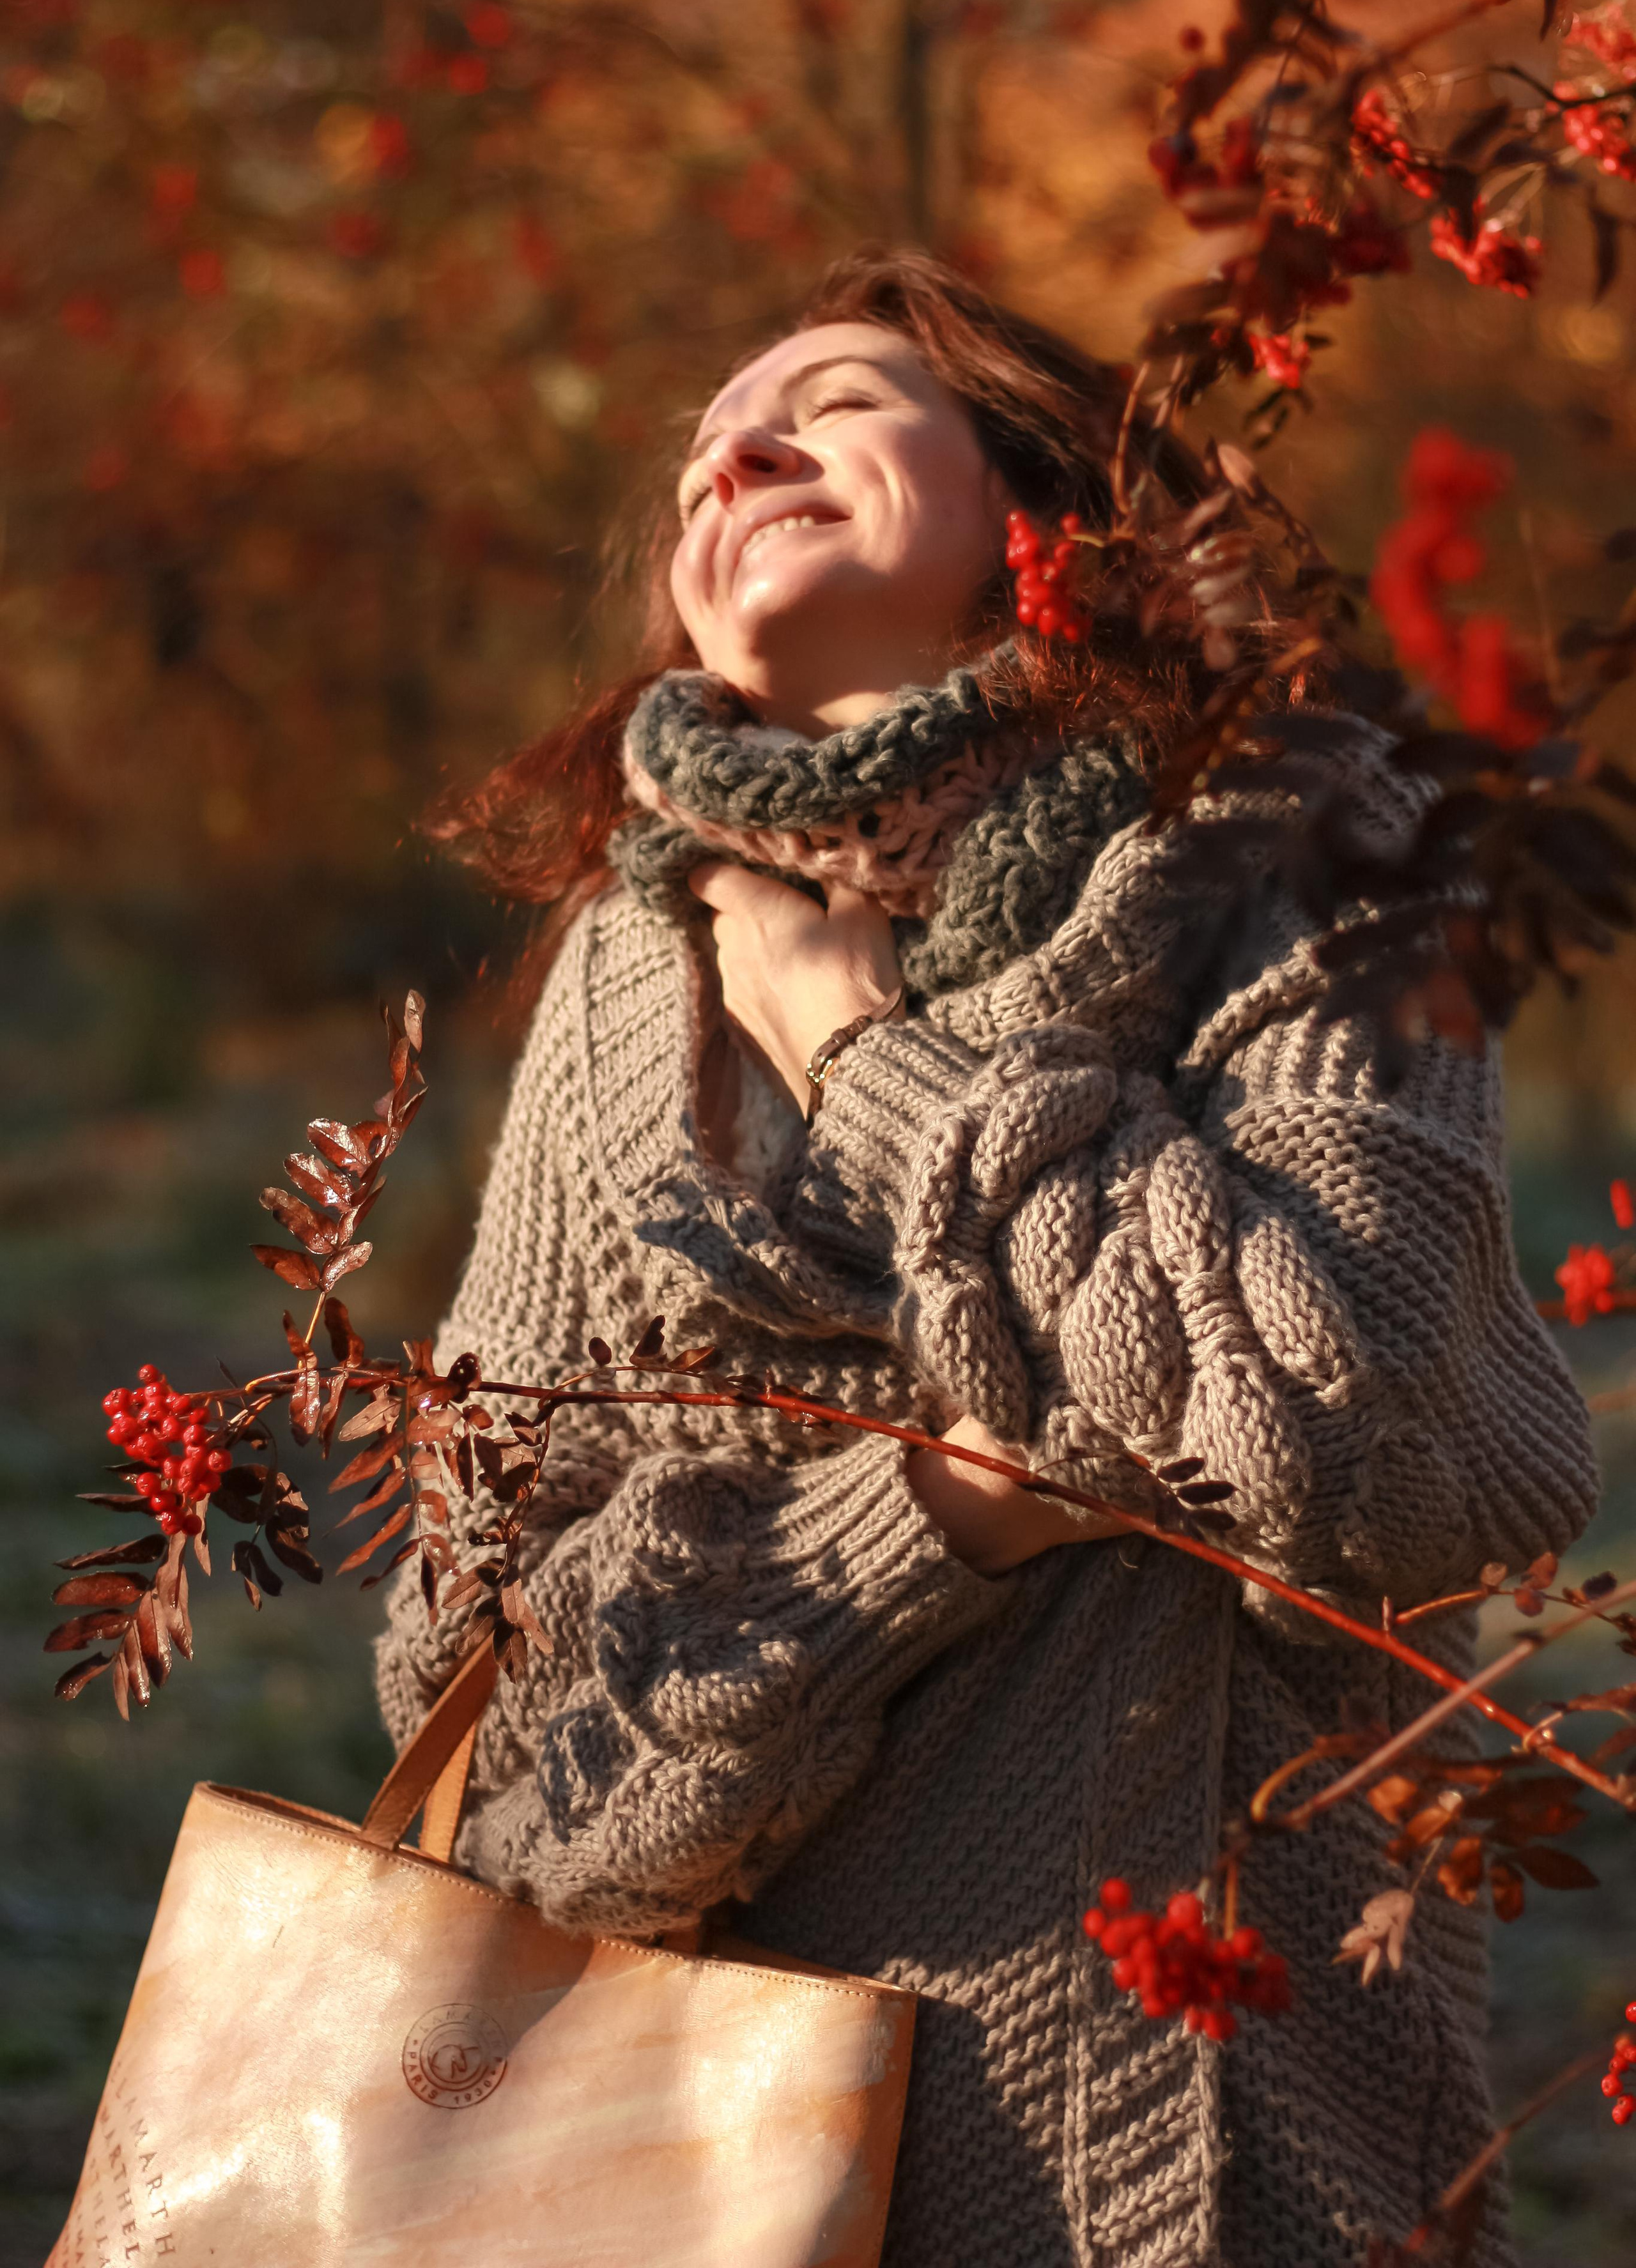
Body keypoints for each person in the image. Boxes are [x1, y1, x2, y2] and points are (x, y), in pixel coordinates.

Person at [375, 250, 1597, 2267]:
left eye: (839, 400)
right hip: (691, 2176)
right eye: (701, 455)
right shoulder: (630, 977)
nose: (737, 451)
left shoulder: (1302, 840)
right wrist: (931, 1514)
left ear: (1044, 500)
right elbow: (486, 1697)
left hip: (1222, 2151)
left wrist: (867, 1054)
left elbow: (1372, 1439)